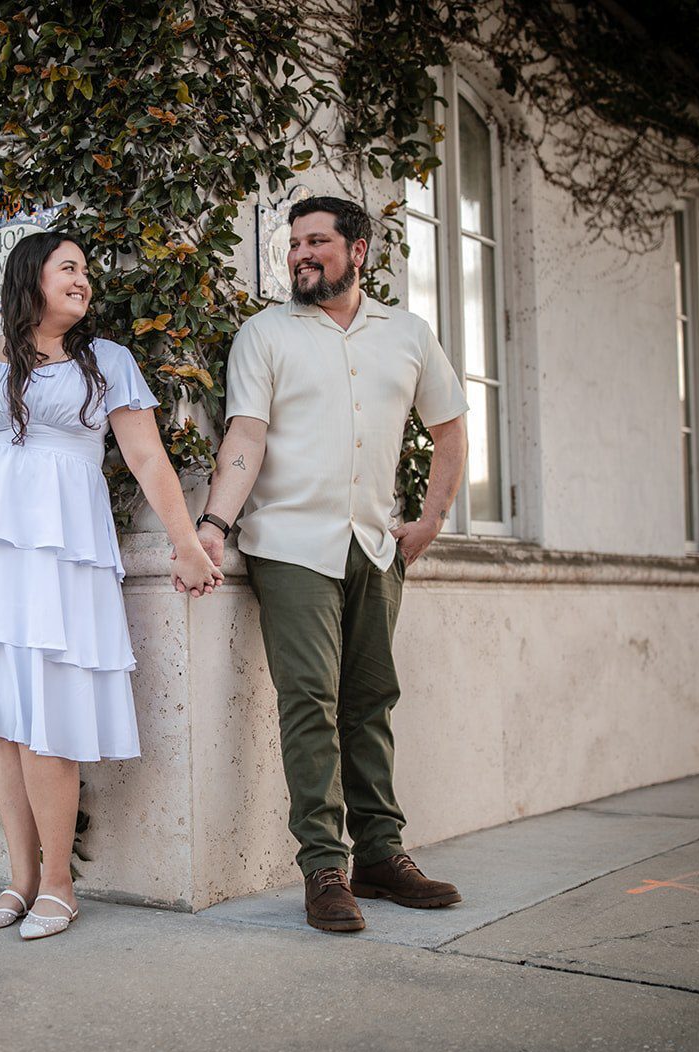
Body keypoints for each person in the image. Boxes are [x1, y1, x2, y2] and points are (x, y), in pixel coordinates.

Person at [0, 230, 223, 940]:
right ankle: (18, 883)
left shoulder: (106, 360)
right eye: (68, 268)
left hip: (62, 559)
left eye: (86, 270)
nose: (83, 280)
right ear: (31, 278)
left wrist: (186, 543)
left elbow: (147, 458)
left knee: (47, 714)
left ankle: (59, 884)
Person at [194, 195, 470, 933]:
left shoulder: (407, 334)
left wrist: (432, 519)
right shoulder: (265, 334)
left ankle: (381, 855)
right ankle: (324, 867)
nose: (301, 255)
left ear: (359, 251)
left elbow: (449, 428)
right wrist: (214, 523)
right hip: (291, 546)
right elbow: (246, 435)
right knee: (310, 701)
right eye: (294, 244)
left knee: (371, 701)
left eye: (317, 241)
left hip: (376, 545)